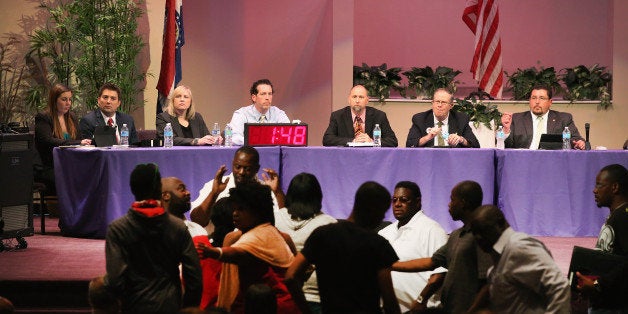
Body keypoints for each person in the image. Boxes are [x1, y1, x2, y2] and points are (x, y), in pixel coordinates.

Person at [285, 181, 401, 314]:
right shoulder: (378, 245)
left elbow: (290, 276)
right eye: (383, 212)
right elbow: (389, 301)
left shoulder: (322, 234)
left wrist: (305, 311)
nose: (382, 218)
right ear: (373, 209)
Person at [104, 163, 202, 312]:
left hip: (134, 305)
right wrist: (187, 307)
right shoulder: (178, 227)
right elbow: (194, 277)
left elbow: (115, 280)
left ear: (132, 189)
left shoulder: (117, 229)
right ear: (158, 190)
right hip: (170, 305)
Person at [195, 181, 298, 313]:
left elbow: (239, 253)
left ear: (257, 212)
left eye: (241, 209)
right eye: (234, 208)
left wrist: (216, 252)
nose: (235, 213)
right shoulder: (263, 234)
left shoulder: (261, 235)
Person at [392, 181, 492, 313]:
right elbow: (430, 262)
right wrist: (390, 265)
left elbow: (488, 281)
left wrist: (473, 310)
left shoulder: (481, 234)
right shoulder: (457, 235)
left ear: (463, 203)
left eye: (452, 199)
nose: (449, 204)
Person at [469, 205, 571, 313]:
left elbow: (559, 286)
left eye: (483, 230)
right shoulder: (498, 259)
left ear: (500, 223)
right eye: (474, 233)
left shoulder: (518, 247)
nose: (478, 238)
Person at [378, 181, 448, 312]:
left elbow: (440, 272)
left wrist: (421, 300)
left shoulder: (431, 229)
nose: (397, 204)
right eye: (394, 200)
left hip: (420, 309)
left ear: (417, 202)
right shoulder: (385, 232)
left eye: (404, 200)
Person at [274, 173, 337, 314]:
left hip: (280, 296)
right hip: (315, 298)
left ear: (290, 195)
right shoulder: (329, 223)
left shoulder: (275, 219)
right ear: (318, 196)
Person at [162, 176, 225, 310]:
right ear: (166, 196)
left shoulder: (197, 228)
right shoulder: (157, 230)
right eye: (182, 189)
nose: (188, 192)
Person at [190, 146, 284, 234]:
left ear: (257, 168)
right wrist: (214, 193)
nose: (241, 172)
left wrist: (277, 192)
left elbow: (284, 221)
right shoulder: (214, 186)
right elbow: (197, 222)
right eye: (238, 167)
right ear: (232, 164)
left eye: (247, 169)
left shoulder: (265, 190)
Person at [575, 164, 628, 312]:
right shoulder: (617, 214)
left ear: (615, 187)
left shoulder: (623, 216)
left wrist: (597, 285)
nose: (594, 190)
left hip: (615, 306)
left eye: (599, 185)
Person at [34, 83, 91, 191]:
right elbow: (48, 141)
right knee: (72, 180)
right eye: (64, 99)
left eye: (70, 99)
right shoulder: (43, 117)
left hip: (70, 164)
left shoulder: (72, 117)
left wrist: (85, 142)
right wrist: (76, 143)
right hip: (50, 166)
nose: (68, 103)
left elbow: (79, 138)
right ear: (54, 100)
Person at [501, 84, 585, 149]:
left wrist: (579, 143)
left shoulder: (563, 119)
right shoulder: (516, 119)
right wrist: (506, 130)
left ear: (550, 102)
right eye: (534, 98)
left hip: (553, 161)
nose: (537, 102)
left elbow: (576, 139)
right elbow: (505, 146)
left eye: (542, 98)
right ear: (529, 101)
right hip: (524, 160)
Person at [322, 85, 398, 147]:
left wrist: (372, 141)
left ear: (367, 100)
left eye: (361, 97)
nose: (357, 101)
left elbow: (393, 141)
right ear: (349, 99)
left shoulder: (379, 116)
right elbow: (327, 139)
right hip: (346, 159)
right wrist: (352, 141)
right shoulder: (338, 116)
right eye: (354, 97)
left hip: (371, 159)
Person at [406, 88, 479, 148]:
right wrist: (427, 137)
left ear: (451, 105)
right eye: (437, 102)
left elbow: (475, 145)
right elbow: (409, 145)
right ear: (432, 103)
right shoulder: (420, 119)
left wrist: (461, 139)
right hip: (428, 159)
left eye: (443, 102)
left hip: (453, 160)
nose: (439, 105)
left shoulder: (461, 119)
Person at [228, 79, 290, 145]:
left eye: (270, 94)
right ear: (254, 97)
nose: (267, 98)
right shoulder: (241, 114)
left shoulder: (279, 114)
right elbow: (233, 138)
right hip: (250, 153)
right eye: (263, 94)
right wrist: (257, 141)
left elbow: (288, 135)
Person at [156, 85, 222, 146]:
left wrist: (213, 139)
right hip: (174, 155)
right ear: (173, 101)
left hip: (197, 155)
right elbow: (170, 140)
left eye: (186, 97)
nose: (182, 100)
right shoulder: (163, 118)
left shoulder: (197, 117)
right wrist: (195, 141)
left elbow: (205, 136)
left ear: (190, 102)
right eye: (178, 96)